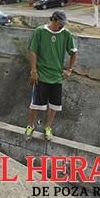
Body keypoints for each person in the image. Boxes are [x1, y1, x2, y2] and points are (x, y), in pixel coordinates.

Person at [25, 10, 78, 141]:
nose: (62, 26)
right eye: (60, 23)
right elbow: (32, 51)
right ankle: (30, 126)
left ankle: (48, 127)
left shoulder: (66, 34)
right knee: (35, 104)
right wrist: (34, 71)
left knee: (54, 105)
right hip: (41, 74)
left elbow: (74, 52)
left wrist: (69, 69)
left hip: (57, 76)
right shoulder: (40, 31)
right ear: (53, 20)